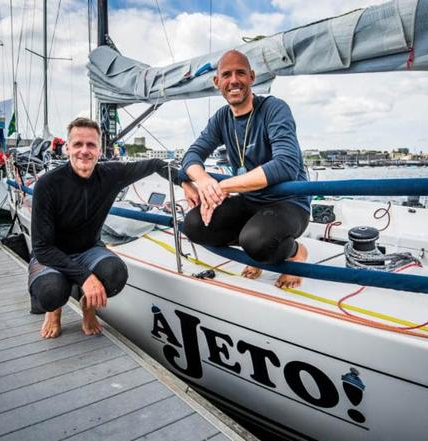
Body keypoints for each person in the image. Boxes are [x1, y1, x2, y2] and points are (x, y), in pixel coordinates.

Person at [29, 117, 186, 338]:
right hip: (51, 253)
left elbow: (155, 164)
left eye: (91, 145)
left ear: (100, 150)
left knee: (116, 274)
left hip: (87, 249)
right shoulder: (48, 184)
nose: (84, 151)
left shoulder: (111, 175)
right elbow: (42, 248)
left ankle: (88, 306)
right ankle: (54, 312)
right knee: (51, 292)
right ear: (67, 148)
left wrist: (188, 184)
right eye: (78, 144)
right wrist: (85, 277)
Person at [180, 50, 310, 289]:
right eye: (226, 74)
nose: (234, 80)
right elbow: (192, 155)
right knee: (193, 225)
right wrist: (202, 181)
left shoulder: (274, 108)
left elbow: (286, 164)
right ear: (216, 82)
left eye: (240, 73)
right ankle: (256, 241)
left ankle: (295, 251)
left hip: (289, 202)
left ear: (251, 77)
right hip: (252, 201)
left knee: (258, 243)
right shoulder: (222, 118)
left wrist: (221, 186)